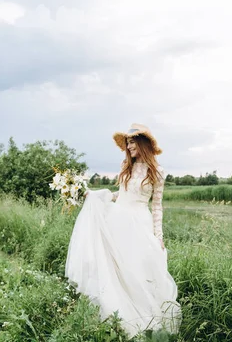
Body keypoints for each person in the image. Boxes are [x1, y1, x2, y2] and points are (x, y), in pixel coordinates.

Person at [65, 123, 181, 337]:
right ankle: (117, 316)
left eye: (132, 141)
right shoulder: (125, 166)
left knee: (137, 270)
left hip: (140, 223)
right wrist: (97, 196)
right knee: (117, 269)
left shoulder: (157, 171)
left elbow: (156, 206)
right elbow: (120, 195)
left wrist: (159, 236)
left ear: (143, 143)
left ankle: (143, 319)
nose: (128, 146)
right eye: (127, 142)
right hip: (118, 220)